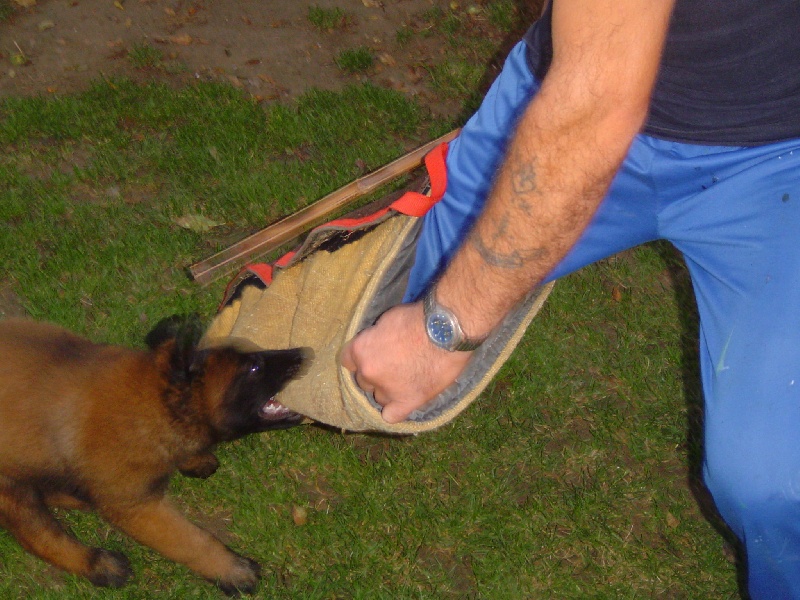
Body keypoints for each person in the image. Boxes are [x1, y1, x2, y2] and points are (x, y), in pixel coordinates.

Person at [341, 0, 800, 597]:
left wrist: (441, 329)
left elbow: (599, 107)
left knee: (773, 486)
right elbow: (595, 85)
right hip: (564, 92)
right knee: (360, 322)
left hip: (775, 159)